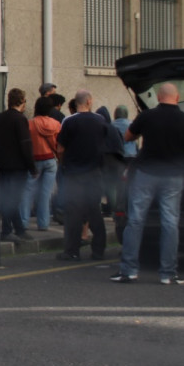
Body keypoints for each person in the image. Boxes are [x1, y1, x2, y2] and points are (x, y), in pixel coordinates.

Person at [111, 83, 184, 284]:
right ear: (176, 98)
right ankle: (168, 273)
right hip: (173, 176)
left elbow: (128, 136)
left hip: (146, 173)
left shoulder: (147, 116)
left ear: (158, 97)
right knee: (170, 222)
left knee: (135, 220)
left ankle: (129, 270)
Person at [55, 89, 109, 261]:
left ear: (76, 102)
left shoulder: (69, 121)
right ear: (89, 101)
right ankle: (99, 250)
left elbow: (60, 148)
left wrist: (63, 163)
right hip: (94, 172)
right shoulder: (100, 120)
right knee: (94, 211)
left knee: (73, 213)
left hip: (74, 173)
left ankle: (72, 251)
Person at [0, 88, 36, 242]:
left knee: (8, 197)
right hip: (17, 165)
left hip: (3, 163)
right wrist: (32, 166)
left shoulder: (1, 117)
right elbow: (25, 144)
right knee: (14, 198)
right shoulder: (20, 119)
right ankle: (8, 230)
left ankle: (18, 229)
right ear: (21, 101)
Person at [20, 96, 60, 231]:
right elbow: (58, 144)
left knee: (28, 192)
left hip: (34, 160)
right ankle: (43, 224)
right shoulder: (56, 124)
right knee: (46, 194)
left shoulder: (29, 124)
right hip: (50, 160)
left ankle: (23, 222)